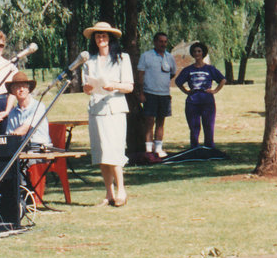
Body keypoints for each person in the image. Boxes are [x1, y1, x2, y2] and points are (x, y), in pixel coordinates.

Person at [82, 21, 134, 207]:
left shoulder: (122, 58)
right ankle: (109, 193)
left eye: (104, 35)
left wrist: (114, 85)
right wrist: (88, 88)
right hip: (96, 109)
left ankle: (121, 190)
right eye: (97, 36)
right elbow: (86, 88)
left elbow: (129, 86)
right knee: (101, 152)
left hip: (115, 108)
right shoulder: (89, 61)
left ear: (110, 38)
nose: (101, 39)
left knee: (114, 150)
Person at [175, 42, 226, 148]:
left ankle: (209, 147)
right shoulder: (188, 69)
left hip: (207, 101)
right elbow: (178, 82)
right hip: (192, 101)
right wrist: (186, 91)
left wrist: (215, 90)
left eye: (199, 51)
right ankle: (194, 148)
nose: (197, 53)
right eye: (195, 51)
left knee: (208, 125)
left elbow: (222, 79)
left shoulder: (210, 69)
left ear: (203, 53)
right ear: (192, 54)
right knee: (194, 126)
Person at [137, 31, 177, 160]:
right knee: (149, 122)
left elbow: (172, 73)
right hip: (150, 93)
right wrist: (141, 93)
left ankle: (159, 149)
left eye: (165, 42)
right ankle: (149, 150)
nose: (163, 44)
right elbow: (140, 75)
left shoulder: (169, 57)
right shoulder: (146, 56)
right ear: (155, 42)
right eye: (160, 41)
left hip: (164, 95)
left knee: (161, 122)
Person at [4, 71, 52, 148]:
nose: (21, 89)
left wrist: (11, 137)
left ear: (28, 89)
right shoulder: (12, 113)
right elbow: (9, 135)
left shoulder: (39, 107)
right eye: (18, 87)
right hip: (21, 148)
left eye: (24, 86)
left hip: (40, 147)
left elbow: (24, 129)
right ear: (12, 91)